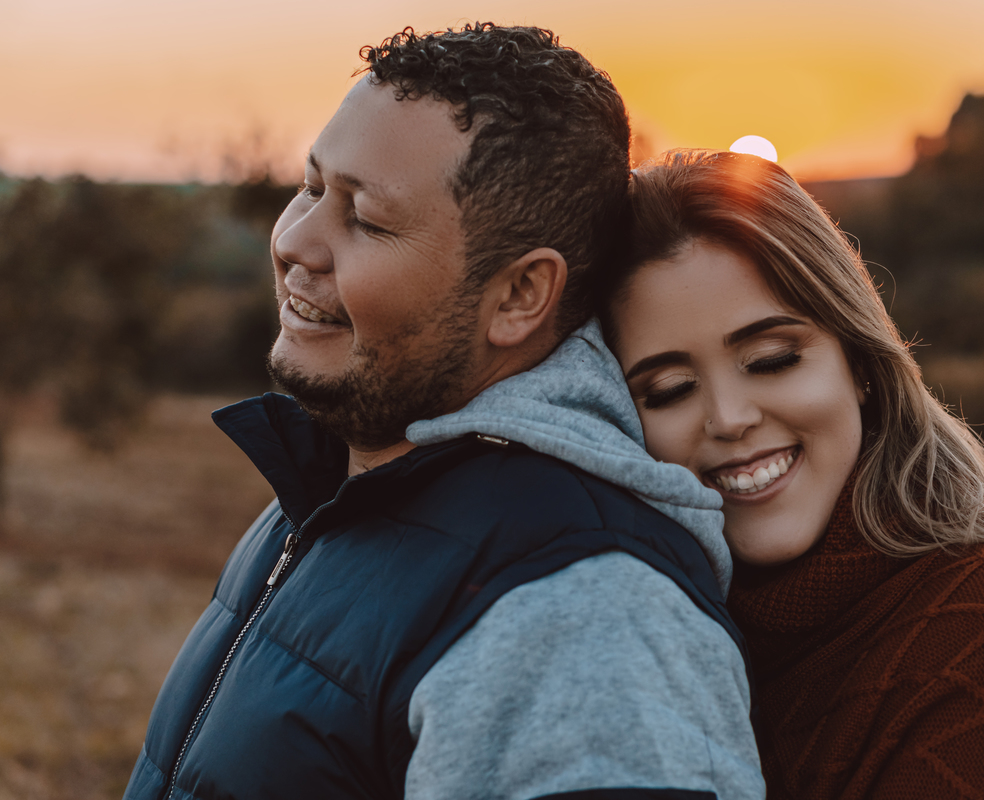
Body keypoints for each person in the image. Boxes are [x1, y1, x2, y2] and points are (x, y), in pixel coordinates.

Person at [123, 28, 763, 800]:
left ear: (521, 295)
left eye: (367, 220)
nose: (295, 242)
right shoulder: (343, 478)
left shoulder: (580, 611)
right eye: (311, 186)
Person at [600, 150, 984, 800]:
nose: (728, 418)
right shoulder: (652, 635)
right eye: (668, 389)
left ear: (859, 362)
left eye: (772, 359)